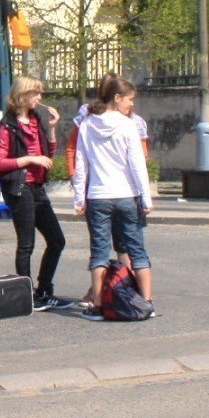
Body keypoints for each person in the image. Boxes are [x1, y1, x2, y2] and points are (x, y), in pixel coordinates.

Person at [70, 73, 155, 319]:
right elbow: (137, 165)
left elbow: (81, 164)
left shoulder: (87, 124)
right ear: (117, 98)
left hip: (98, 196)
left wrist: (79, 198)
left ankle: (97, 306)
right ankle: (146, 303)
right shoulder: (128, 125)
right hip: (127, 195)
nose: (132, 104)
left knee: (99, 253)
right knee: (137, 250)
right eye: (129, 99)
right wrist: (146, 197)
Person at [0, 76, 68, 310]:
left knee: (57, 240)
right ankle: (27, 296)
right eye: (36, 93)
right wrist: (30, 159)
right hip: (20, 188)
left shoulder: (36, 120)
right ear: (23, 95)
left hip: (37, 187)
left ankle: (44, 290)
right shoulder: (7, 125)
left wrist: (52, 129)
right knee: (27, 244)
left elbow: (48, 153)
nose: (39, 98)